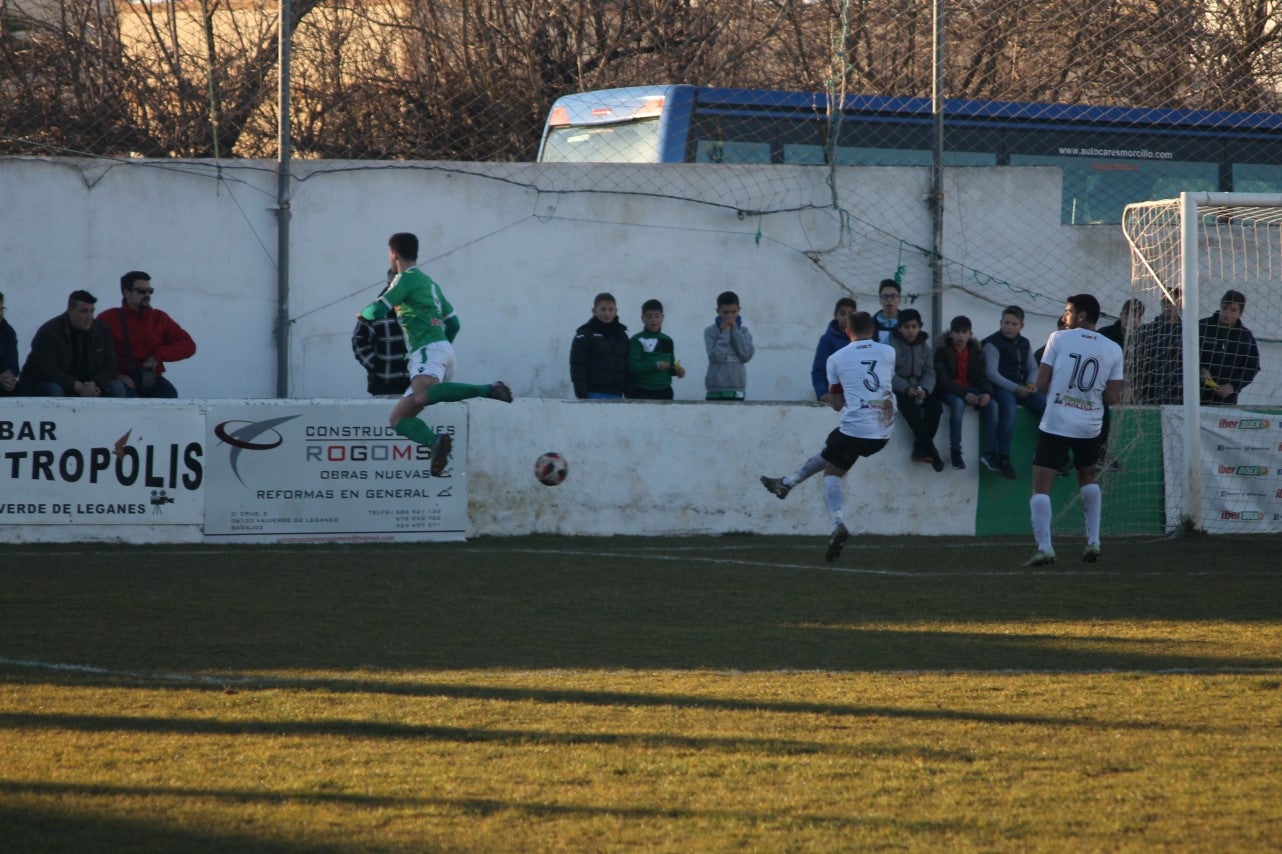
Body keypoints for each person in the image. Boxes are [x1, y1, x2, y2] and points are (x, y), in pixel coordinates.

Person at [358, 232, 512, 476]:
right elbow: (454, 323)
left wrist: (362, 314)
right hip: (441, 351)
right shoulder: (431, 284)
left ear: (394, 253)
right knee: (399, 419)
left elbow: (378, 309)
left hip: (427, 351)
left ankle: (488, 389)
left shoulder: (404, 279)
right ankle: (435, 443)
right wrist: (442, 348)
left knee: (423, 395)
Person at [758, 311, 896, 562]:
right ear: (873, 330)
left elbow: (836, 404)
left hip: (857, 427)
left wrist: (838, 395)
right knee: (831, 453)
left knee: (832, 473)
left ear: (847, 331)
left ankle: (837, 523)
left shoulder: (836, 358)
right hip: (885, 429)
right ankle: (786, 483)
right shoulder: (889, 352)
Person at [1023, 294, 1124, 567]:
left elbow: (1041, 384)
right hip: (1090, 424)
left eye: (1068, 311)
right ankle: (1093, 541)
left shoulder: (1058, 338)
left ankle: (1045, 548)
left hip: (1056, 420)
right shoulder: (1114, 348)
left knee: (1041, 486)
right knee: (1087, 474)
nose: (1065, 316)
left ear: (1080, 316)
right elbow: (1113, 398)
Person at [97, 271, 196, 398]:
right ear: (127, 293)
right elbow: (96, 354)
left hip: (149, 378)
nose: (147, 295)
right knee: (127, 398)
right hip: (120, 379)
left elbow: (188, 345)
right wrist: (116, 375)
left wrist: (158, 356)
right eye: (141, 291)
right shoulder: (108, 318)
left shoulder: (159, 318)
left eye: (150, 291)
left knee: (169, 395)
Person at [20, 290, 127, 397]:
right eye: (84, 311)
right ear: (70, 311)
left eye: (92, 311)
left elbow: (109, 364)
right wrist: (77, 386)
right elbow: (47, 369)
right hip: (48, 383)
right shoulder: (50, 332)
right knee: (54, 390)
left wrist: (94, 383)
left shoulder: (101, 330)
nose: (89, 317)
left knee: (117, 387)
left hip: (88, 384)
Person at [981, 305, 1046, 479]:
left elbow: (1033, 368)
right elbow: (992, 374)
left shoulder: (1024, 343)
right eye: (1006, 323)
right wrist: (1016, 388)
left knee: (1047, 408)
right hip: (1002, 388)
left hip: (1023, 387)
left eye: (1014, 324)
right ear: (1000, 323)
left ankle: (1046, 452)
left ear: (1021, 326)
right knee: (1008, 412)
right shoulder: (991, 343)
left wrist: (1031, 383)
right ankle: (1003, 458)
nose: (1009, 327)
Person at [933, 315, 996, 470]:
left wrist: (987, 392)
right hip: (948, 391)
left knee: (993, 405)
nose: (960, 335)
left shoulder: (976, 351)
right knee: (958, 405)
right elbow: (943, 381)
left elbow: (982, 376)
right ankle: (955, 450)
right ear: (951, 334)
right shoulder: (942, 351)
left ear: (970, 334)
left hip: (970, 389)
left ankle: (990, 453)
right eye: (957, 332)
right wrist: (965, 393)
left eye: (964, 332)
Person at [890, 308, 944, 471]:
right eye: (906, 327)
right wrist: (906, 388)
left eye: (914, 326)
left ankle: (920, 449)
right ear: (899, 328)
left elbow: (929, 372)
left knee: (936, 408)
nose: (910, 330)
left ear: (920, 327)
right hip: (899, 389)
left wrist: (925, 390)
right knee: (910, 411)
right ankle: (933, 452)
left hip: (919, 388)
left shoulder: (925, 348)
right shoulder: (891, 346)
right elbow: (889, 374)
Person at [352, 268, 410, 397]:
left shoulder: (416, 310)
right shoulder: (375, 312)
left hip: (415, 387)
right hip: (384, 387)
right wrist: (376, 365)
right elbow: (359, 340)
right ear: (389, 284)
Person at [1198, 289, 1260, 406]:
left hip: (1227, 399)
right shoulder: (1202, 327)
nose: (1227, 313)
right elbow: (1182, 354)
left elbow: (1252, 367)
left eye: (1233, 310)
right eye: (1224, 308)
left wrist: (1233, 386)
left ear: (1240, 313)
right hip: (1196, 395)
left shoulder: (1246, 337)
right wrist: (1200, 369)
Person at [570, 292, 630, 399]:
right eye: (603, 309)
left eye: (611, 309)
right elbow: (577, 365)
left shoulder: (622, 336)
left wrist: (629, 392)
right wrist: (581, 393)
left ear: (616, 311)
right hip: (592, 393)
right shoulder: (585, 334)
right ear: (594, 311)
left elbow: (627, 365)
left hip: (616, 394)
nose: (607, 313)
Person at [1131, 287, 1182, 405]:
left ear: (1180, 304)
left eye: (1171, 302)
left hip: (1178, 395)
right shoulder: (1147, 331)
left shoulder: (1188, 333)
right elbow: (1137, 362)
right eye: (1164, 302)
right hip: (1150, 394)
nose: (1167, 306)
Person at [627, 298, 686, 400]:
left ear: (662, 318)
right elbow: (632, 366)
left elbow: (670, 365)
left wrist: (677, 371)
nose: (653, 320)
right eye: (649, 316)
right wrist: (655, 365)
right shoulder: (636, 340)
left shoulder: (667, 340)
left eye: (657, 316)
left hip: (665, 390)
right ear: (642, 318)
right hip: (641, 390)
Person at [704, 290, 754, 400]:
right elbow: (716, 357)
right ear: (718, 311)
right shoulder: (710, 331)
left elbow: (746, 356)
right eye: (725, 312)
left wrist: (735, 331)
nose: (730, 316)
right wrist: (725, 332)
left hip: (737, 388)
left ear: (739, 310)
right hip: (716, 388)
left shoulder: (744, 332)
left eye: (733, 312)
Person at [811, 297, 857, 401]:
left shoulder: (861, 338)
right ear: (836, 316)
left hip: (859, 396)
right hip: (836, 397)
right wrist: (822, 393)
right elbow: (818, 370)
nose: (846, 317)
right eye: (842, 313)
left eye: (850, 313)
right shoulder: (827, 340)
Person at [0, 291, 20, 396]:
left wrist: (9, 375)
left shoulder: (7, 331)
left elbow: (12, 361)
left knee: (20, 389)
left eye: (1, 310)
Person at [872, 278, 902, 343]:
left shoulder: (908, 324)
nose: (889, 300)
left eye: (893, 296)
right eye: (885, 296)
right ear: (880, 299)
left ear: (899, 299)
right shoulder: (870, 324)